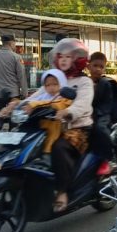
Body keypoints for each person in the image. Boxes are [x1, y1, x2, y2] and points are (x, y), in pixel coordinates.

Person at [48, 38, 94, 212]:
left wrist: (68, 112)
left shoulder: (84, 82)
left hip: (79, 129)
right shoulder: (55, 80)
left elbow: (82, 104)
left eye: (69, 56)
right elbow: (38, 96)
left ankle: (62, 192)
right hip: (53, 127)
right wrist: (17, 105)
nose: (64, 60)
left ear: (78, 60)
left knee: (59, 148)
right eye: (61, 56)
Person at [88, 52, 117, 161]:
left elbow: (106, 104)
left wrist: (96, 114)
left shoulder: (105, 83)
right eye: (95, 66)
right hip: (86, 114)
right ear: (88, 66)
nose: (98, 69)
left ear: (104, 69)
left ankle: (110, 153)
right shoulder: (84, 82)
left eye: (101, 67)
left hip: (102, 114)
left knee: (99, 129)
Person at [0, 35, 27, 136]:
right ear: (10, 43)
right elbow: (22, 76)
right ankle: (11, 137)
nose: (15, 45)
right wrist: (24, 93)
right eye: (14, 43)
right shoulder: (17, 57)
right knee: (13, 117)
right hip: (13, 94)